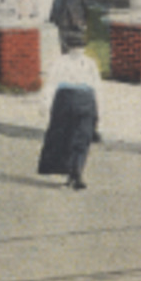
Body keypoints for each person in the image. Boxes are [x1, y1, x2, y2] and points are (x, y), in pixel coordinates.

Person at [38, 43, 104, 190]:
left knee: (72, 138)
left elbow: (50, 84)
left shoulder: (63, 62)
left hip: (70, 100)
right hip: (80, 100)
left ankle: (74, 173)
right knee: (78, 138)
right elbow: (97, 87)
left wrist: (45, 104)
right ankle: (74, 172)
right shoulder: (87, 62)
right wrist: (98, 111)